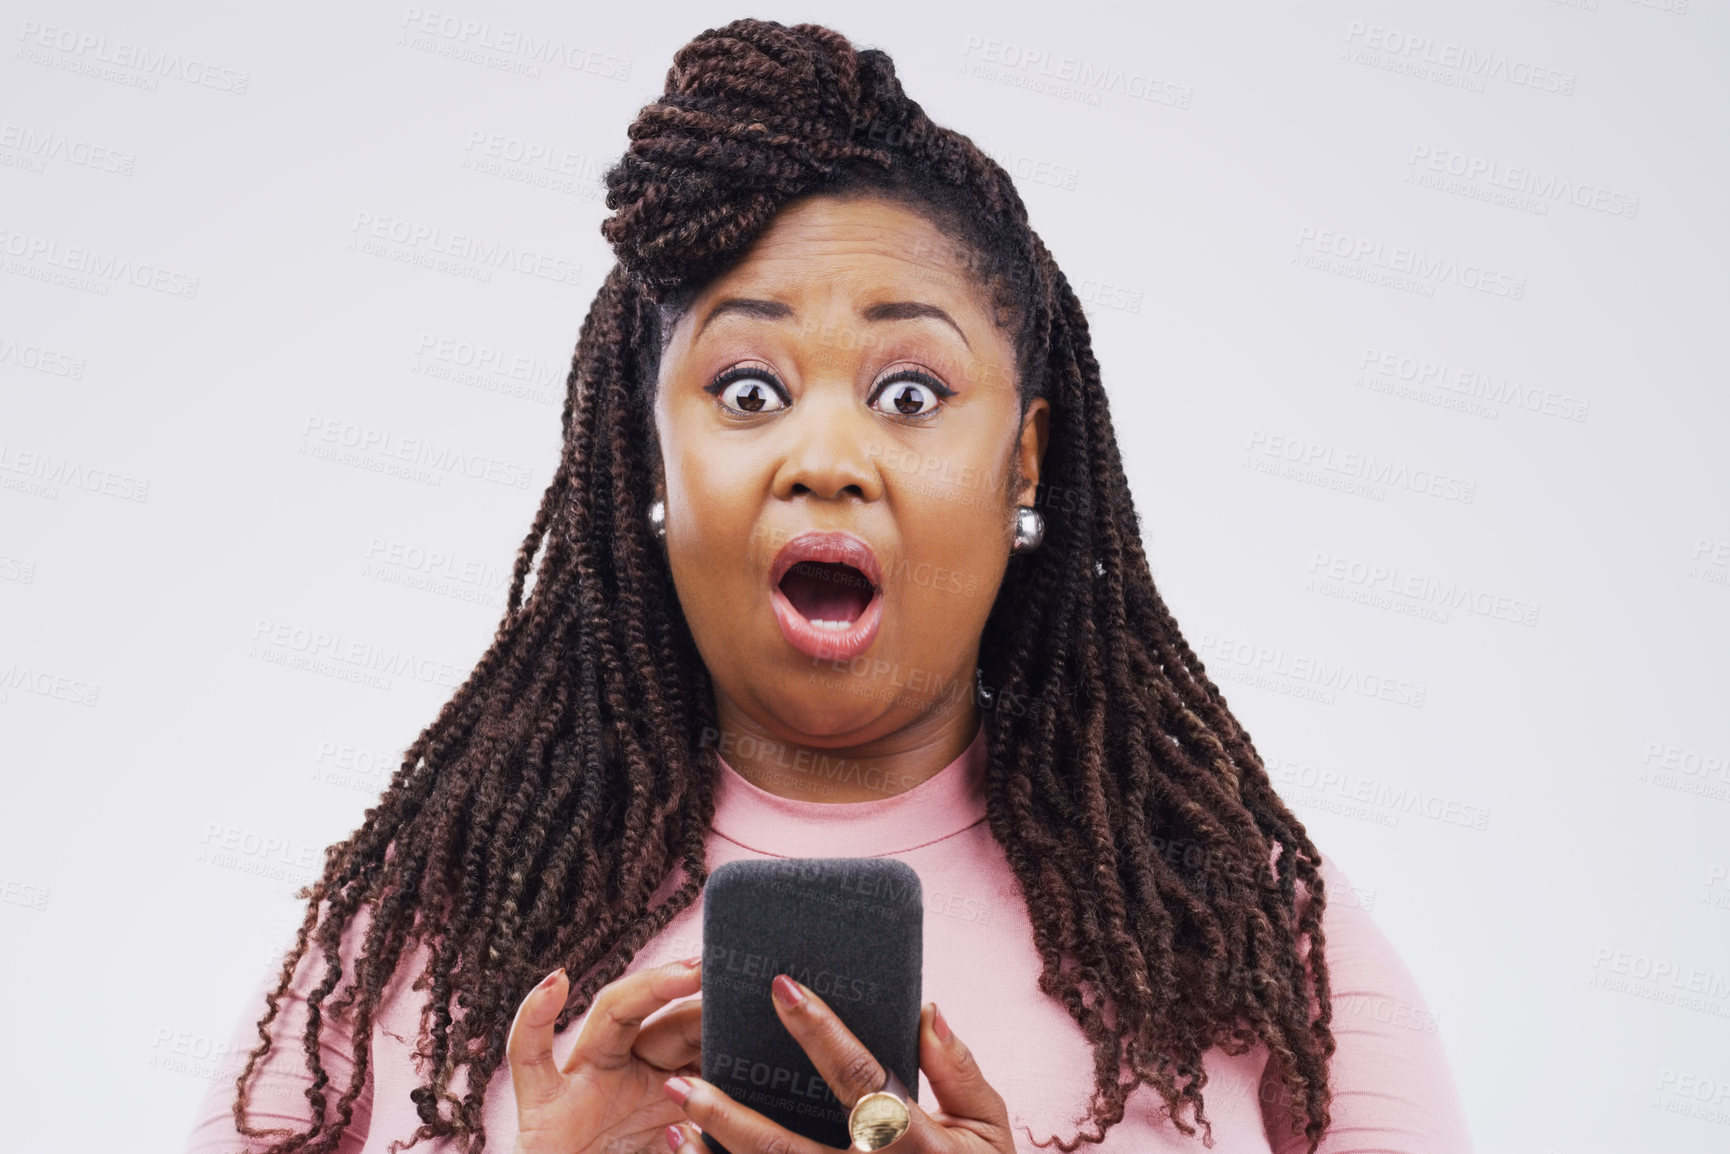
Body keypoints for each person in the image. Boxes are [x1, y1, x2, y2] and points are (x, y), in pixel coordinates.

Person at [183, 18, 1473, 1154]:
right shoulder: (425, 917)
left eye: (909, 393)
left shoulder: (1241, 922)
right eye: (749, 391)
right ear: (649, 451)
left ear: (1022, 459)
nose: (828, 459)